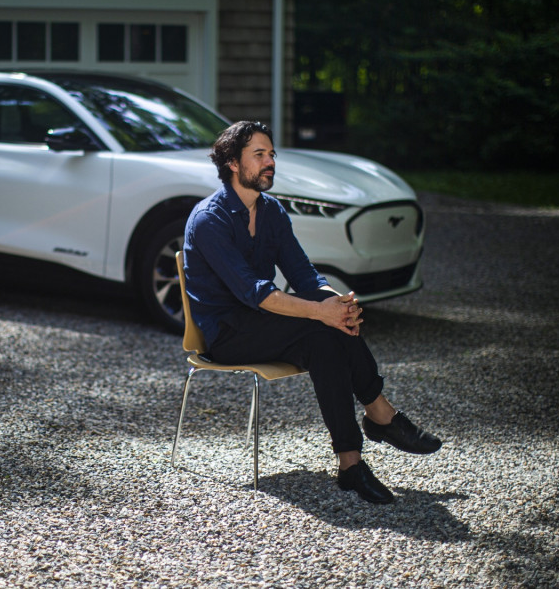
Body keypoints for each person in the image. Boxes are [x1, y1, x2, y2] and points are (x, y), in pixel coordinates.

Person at [182, 120, 442, 504]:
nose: (270, 161)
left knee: (328, 337)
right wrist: (321, 312)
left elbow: (304, 275)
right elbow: (255, 293)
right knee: (321, 326)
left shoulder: (271, 211)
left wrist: (339, 305)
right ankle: (380, 414)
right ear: (233, 163)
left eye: (272, 154)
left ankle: (350, 464)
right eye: (259, 154)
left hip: (266, 324)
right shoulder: (210, 219)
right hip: (227, 334)